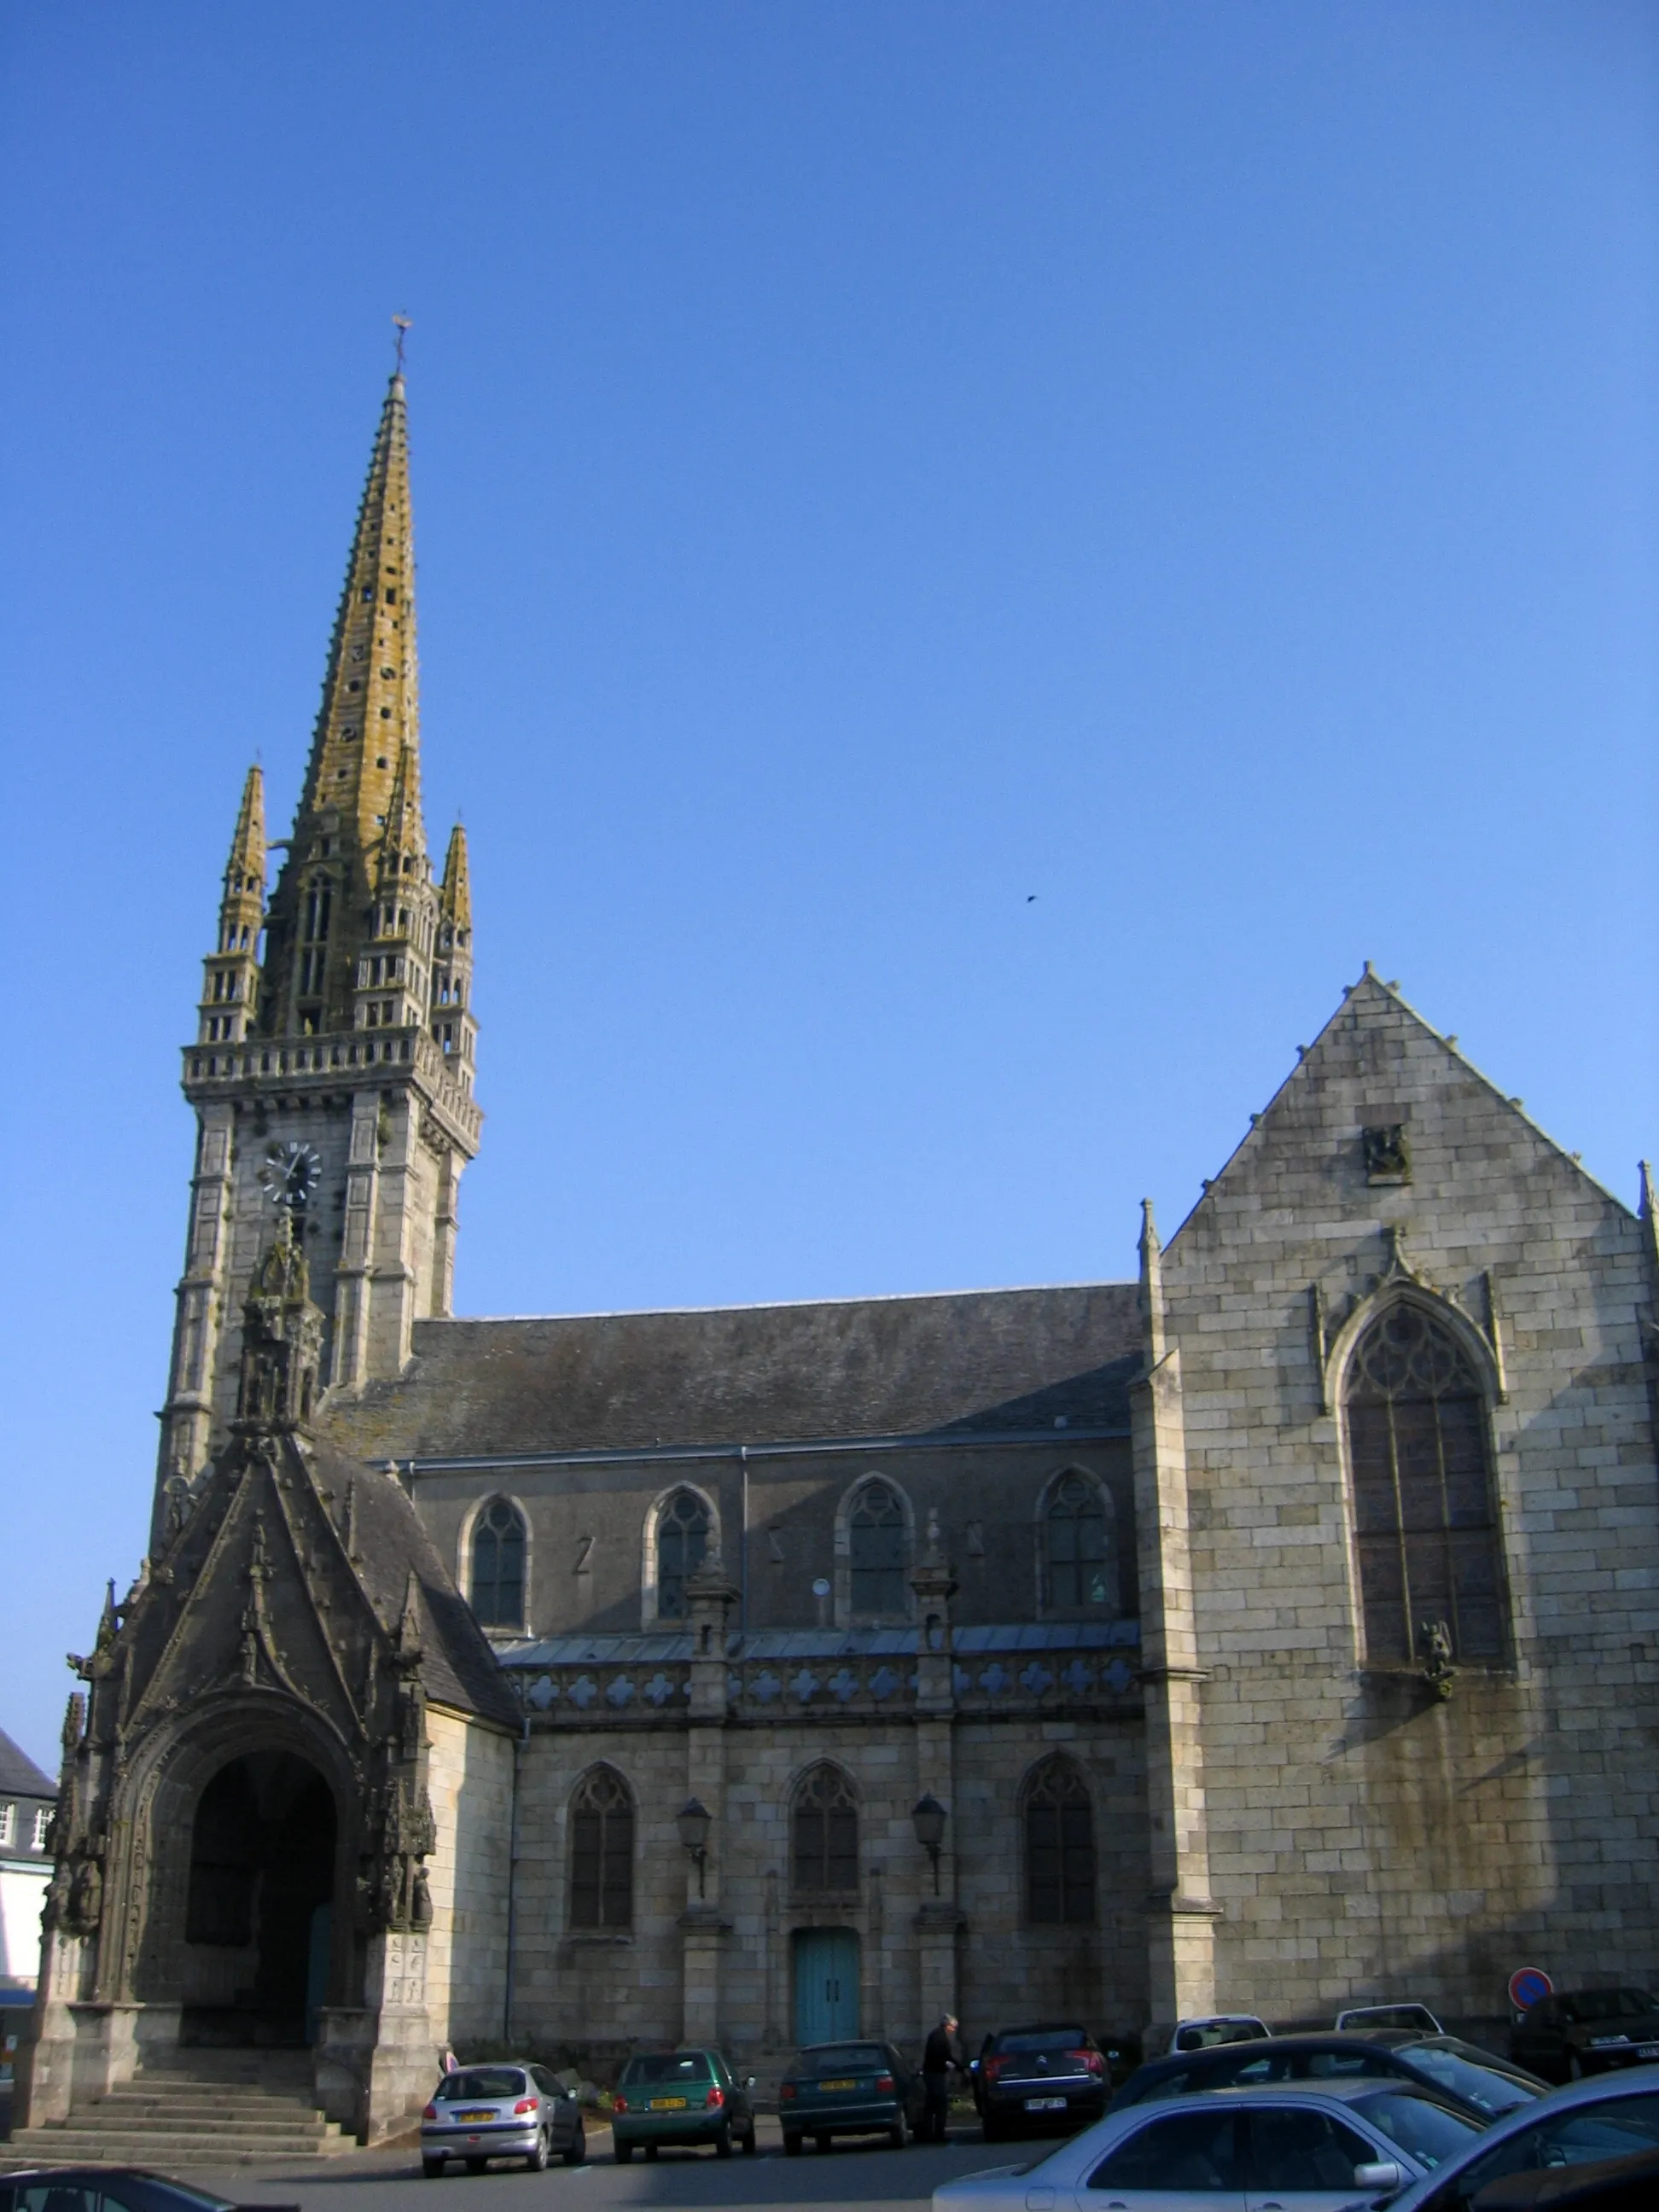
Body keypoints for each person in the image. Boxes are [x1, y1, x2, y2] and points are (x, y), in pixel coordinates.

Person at [922, 2013, 960, 2143]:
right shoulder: (940, 2037)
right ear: (947, 2026)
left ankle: (928, 2133)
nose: (953, 2030)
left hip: (932, 2073)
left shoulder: (937, 2035)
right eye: (953, 2027)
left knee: (931, 2105)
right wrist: (953, 2065)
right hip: (935, 2074)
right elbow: (943, 2055)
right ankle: (938, 2134)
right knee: (940, 2105)